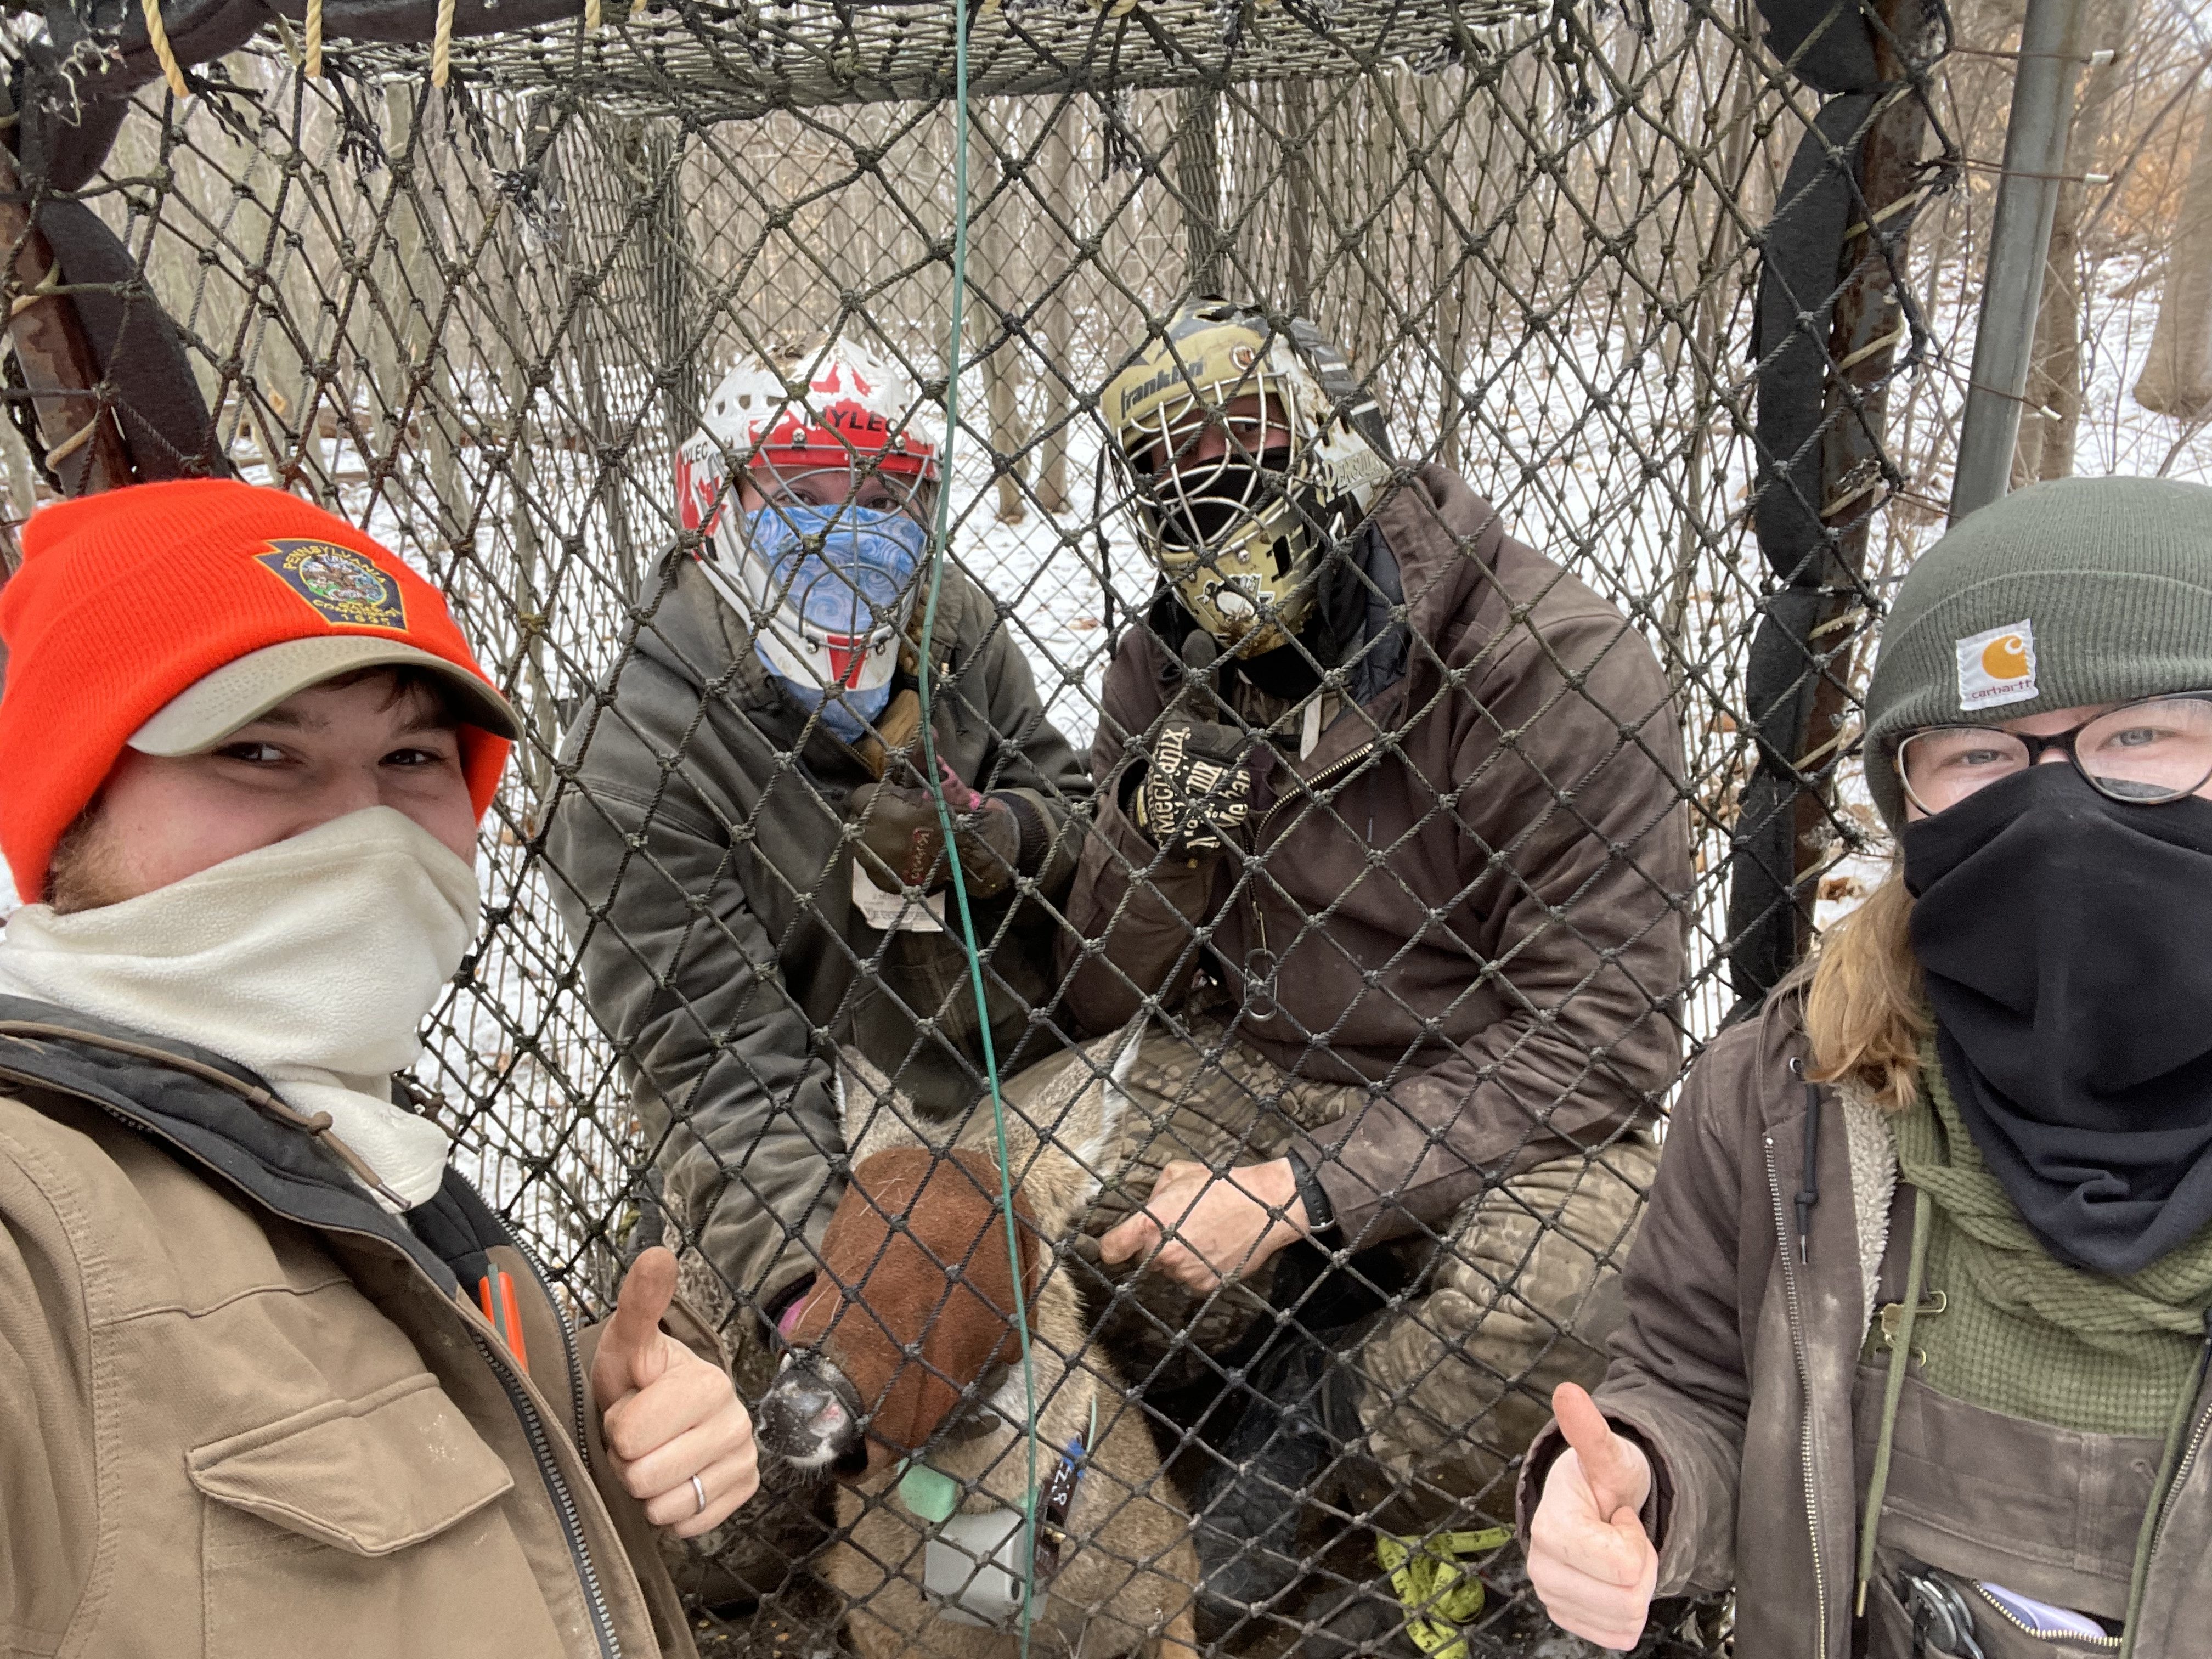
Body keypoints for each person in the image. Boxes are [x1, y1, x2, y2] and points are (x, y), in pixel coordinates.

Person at [0, 479, 757, 1654]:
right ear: (71, 802)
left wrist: (584, 1441)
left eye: (411, 756)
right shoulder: (33, 1223)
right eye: (259, 750)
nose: (363, 827)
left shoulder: (358, 1146)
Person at [1058, 296, 1692, 1650]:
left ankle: (1323, 1437)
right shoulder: (1168, 663)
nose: (1208, 498)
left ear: (1341, 442)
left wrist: (1307, 1192)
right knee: (1080, 1246)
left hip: (1514, 1106)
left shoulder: (1547, 664)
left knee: (1569, 1303)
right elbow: (1102, 993)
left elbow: (1611, 1033)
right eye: (1163, 477)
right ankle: (1270, 1377)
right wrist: (1156, 841)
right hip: (1269, 1066)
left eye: (1241, 447)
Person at [1522, 475, 2212, 1657]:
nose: (2058, 808)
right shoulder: (1790, 1089)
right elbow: (1696, 1382)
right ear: (1908, 799)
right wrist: (1641, 1485)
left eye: (2140, 736)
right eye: (1982, 755)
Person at [545, 331, 1092, 1592]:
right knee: (737, 1537)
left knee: (1158, 1317)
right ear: (712, 501)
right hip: (805, 1120)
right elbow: (714, 1068)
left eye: (889, 490)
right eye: (801, 488)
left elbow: (1059, 787)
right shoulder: (637, 748)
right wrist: (835, 1299)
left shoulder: (947, 618)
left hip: (996, 1059)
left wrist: (1004, 836)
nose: (854, 527)